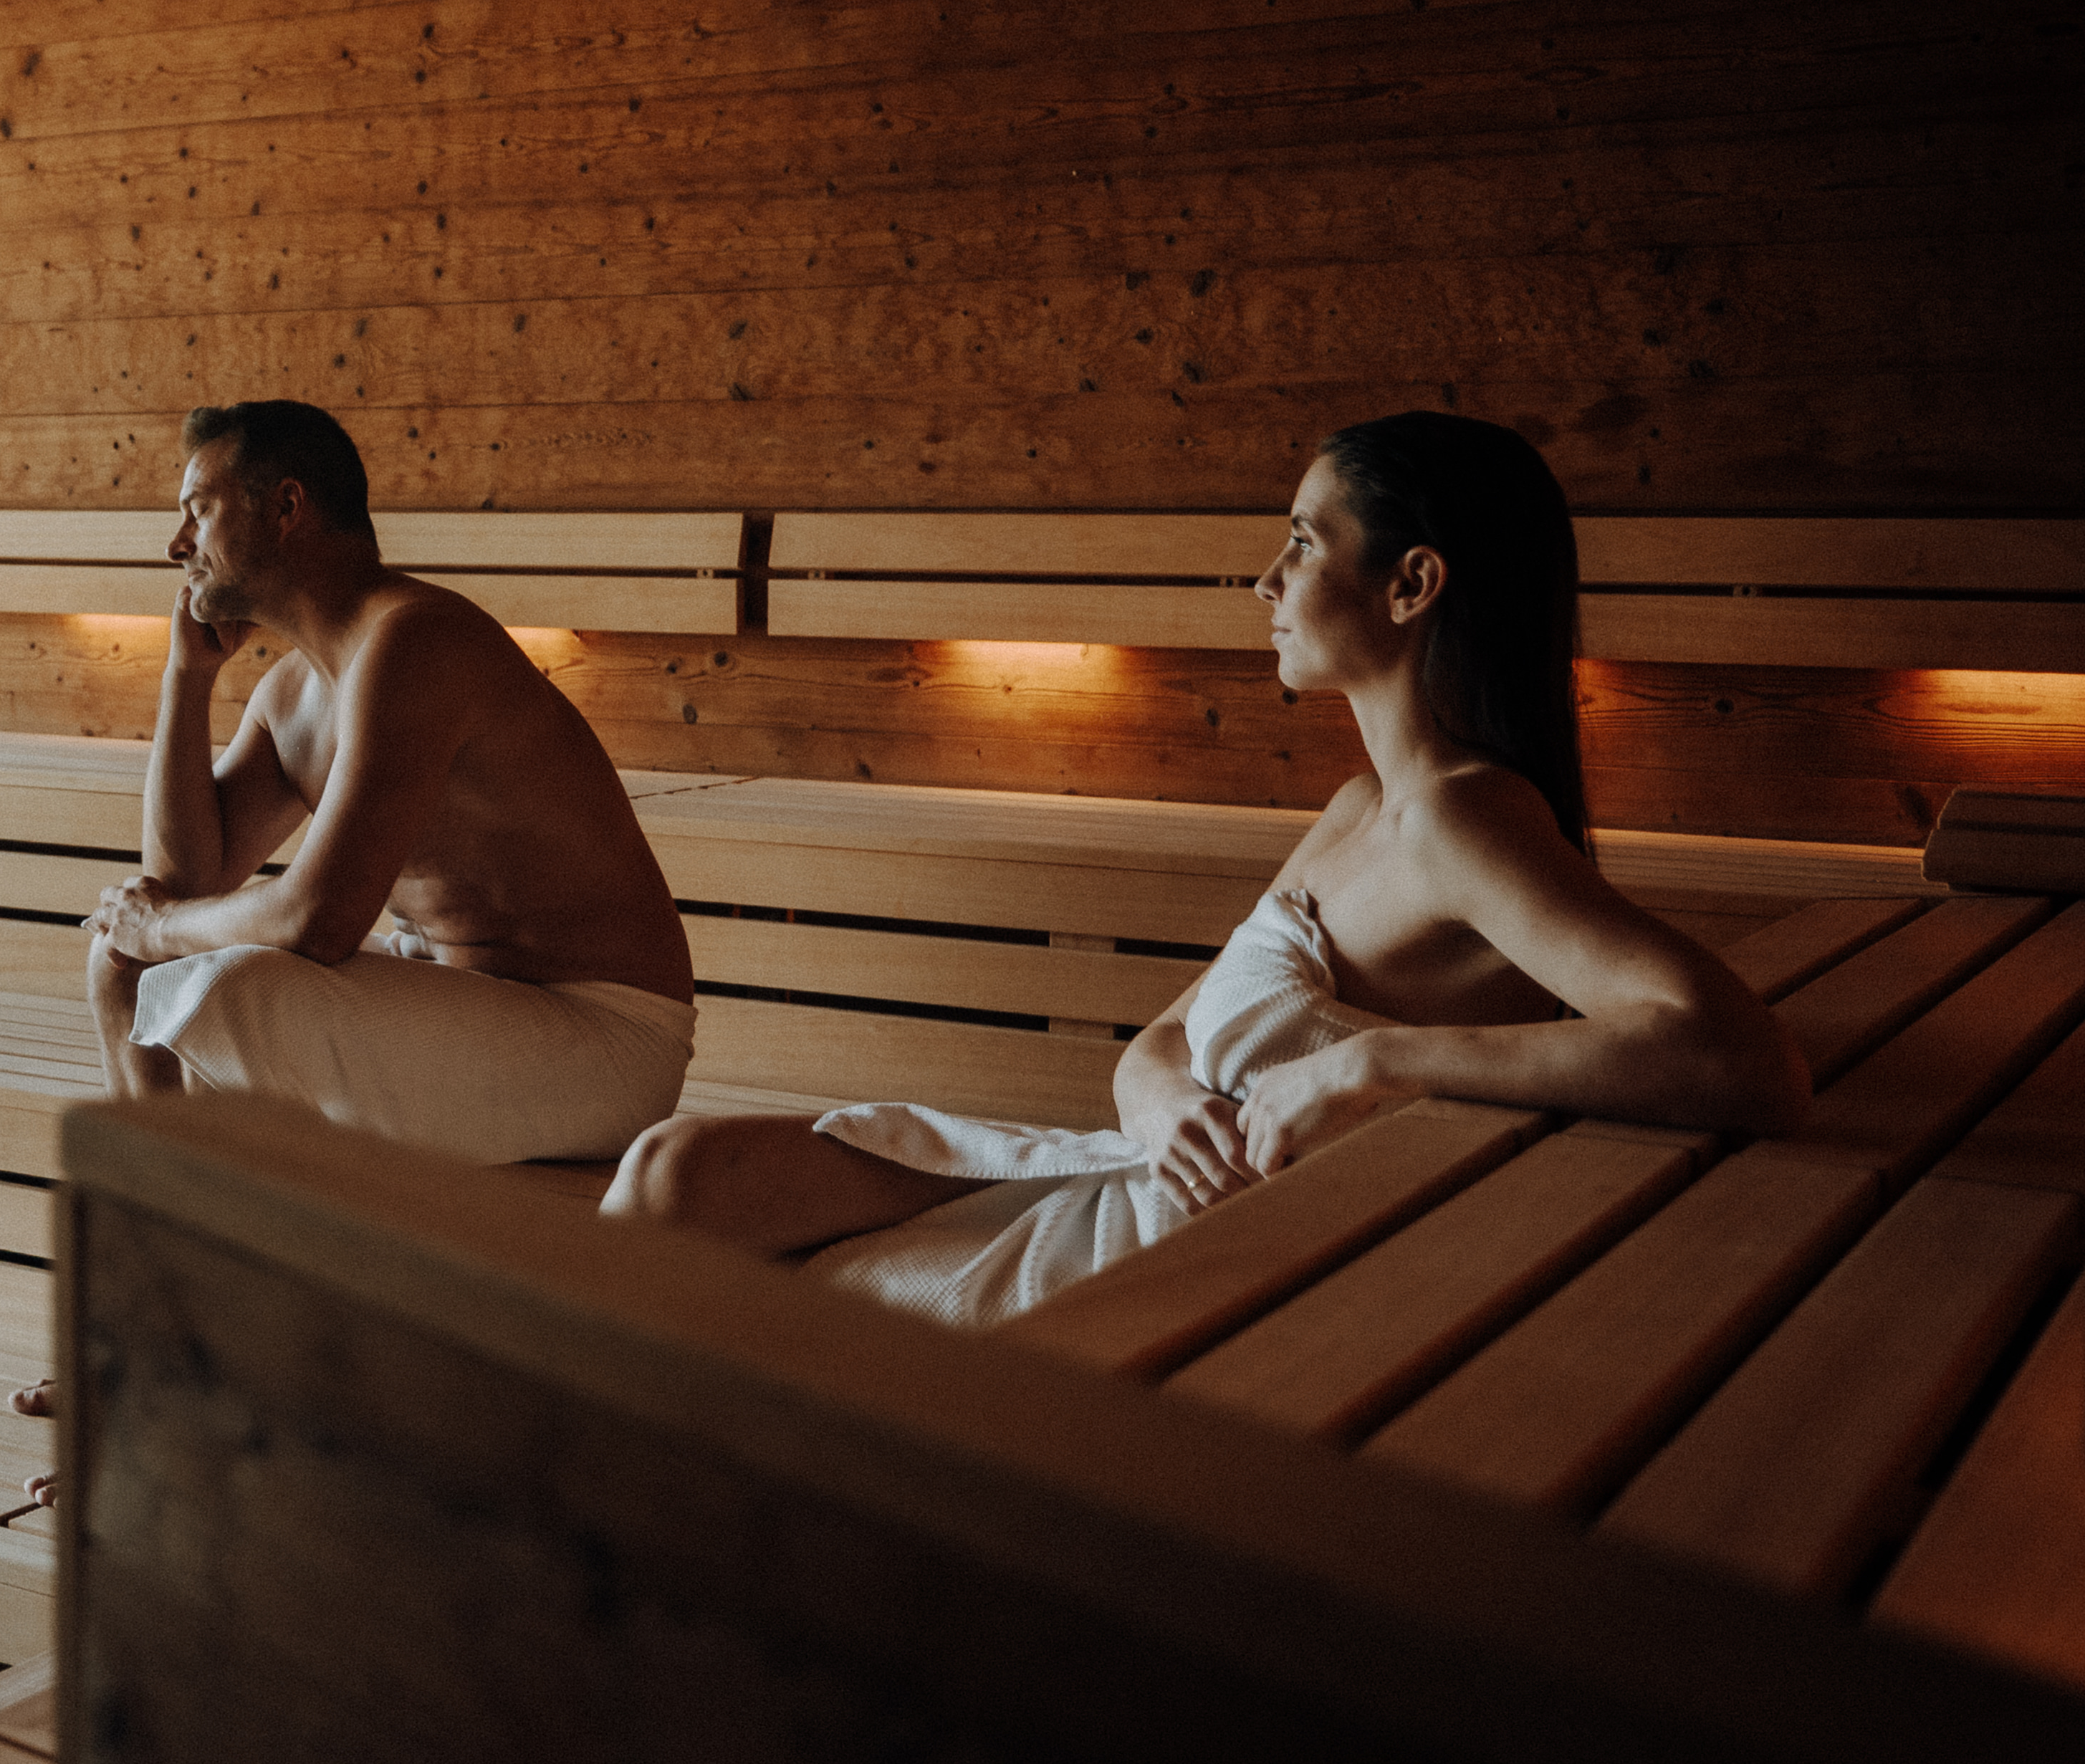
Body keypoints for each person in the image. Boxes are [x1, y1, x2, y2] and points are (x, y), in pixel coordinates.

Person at [598, 412, 1812, 1329]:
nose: (1267, 581)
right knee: (674, 1167)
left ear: (1412, 583)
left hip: (1180, 1260)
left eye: (1303, 542)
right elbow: (1161, 1042)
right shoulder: (1361, 807)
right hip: (1130, 1166)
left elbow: (1741, 1055)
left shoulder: (1463, 821)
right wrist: (1165, 1103)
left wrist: (1380, 1062)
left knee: (698, 1252)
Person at [11, 398, 701, 1435]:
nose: (176, 544)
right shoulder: (296, 691)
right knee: (124, 964)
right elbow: (183, 879)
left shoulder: (417, 642)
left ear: (286, 507)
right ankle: (167, 1316)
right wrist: (185, 679)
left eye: (198, 509)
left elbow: (318, 919)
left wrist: (160, 929)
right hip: (464, 1012)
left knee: (229, 981)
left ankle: (216, 1352)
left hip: (601, 1035)